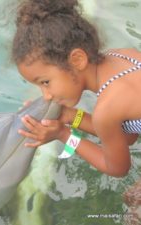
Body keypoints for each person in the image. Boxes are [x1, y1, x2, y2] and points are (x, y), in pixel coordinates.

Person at [11, 0, 141, 219]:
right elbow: (127, 135)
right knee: (133, 196)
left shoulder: (107, 110)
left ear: (78, 59)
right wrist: (69, 116)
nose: (46, 95)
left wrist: (63, 134)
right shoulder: (123, 55)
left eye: (45, 82)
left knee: (134, 212)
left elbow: (118, 168)